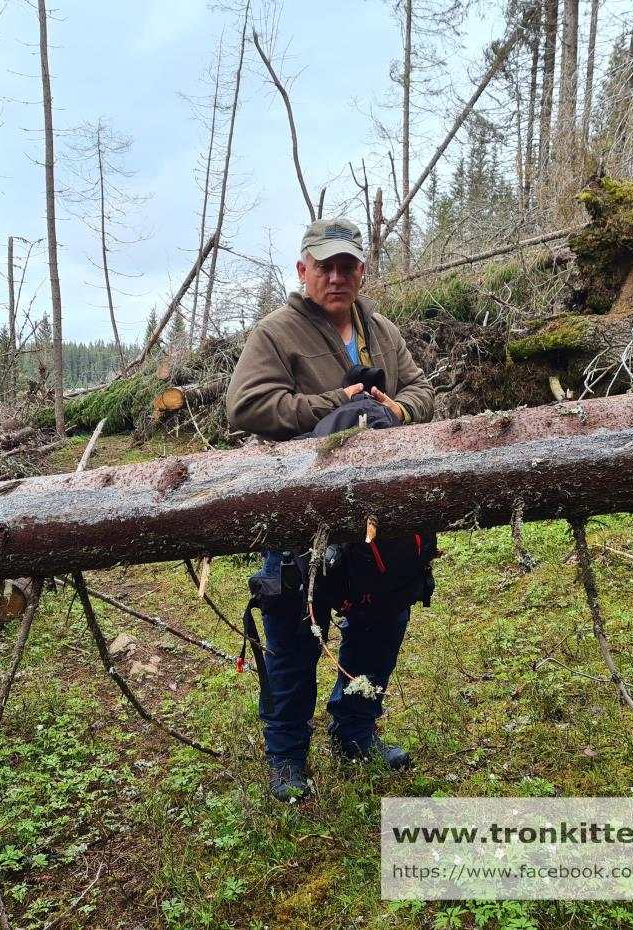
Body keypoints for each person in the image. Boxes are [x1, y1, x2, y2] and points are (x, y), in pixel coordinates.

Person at [225, 218, 435, 801]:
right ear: (303, 270)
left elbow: (422, 389)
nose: (337, 276)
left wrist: (401, 408)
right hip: (303, 515)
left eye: (348, 266)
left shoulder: (381, 330)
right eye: (325, 266)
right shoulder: (277, 333)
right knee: (292, 636)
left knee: (380, 627)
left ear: (362, 271)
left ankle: (356, 733)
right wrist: (333, 405)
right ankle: (287, 757)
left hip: (382, 515)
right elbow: (246, 407)